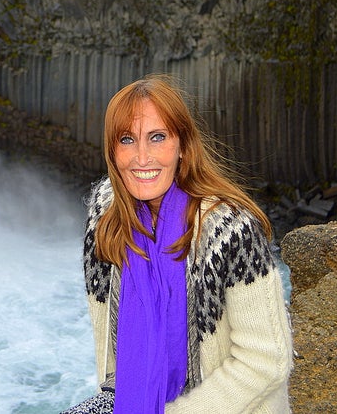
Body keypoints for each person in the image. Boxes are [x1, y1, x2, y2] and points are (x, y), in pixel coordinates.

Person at [62, 74, 293, 414]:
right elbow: (110, 346)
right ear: (112, 151)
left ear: (183, 146)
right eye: (127, 139)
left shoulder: (230, 228)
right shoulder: (106, 213)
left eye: (157, 138)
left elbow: (267, 360)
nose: (142, 157)